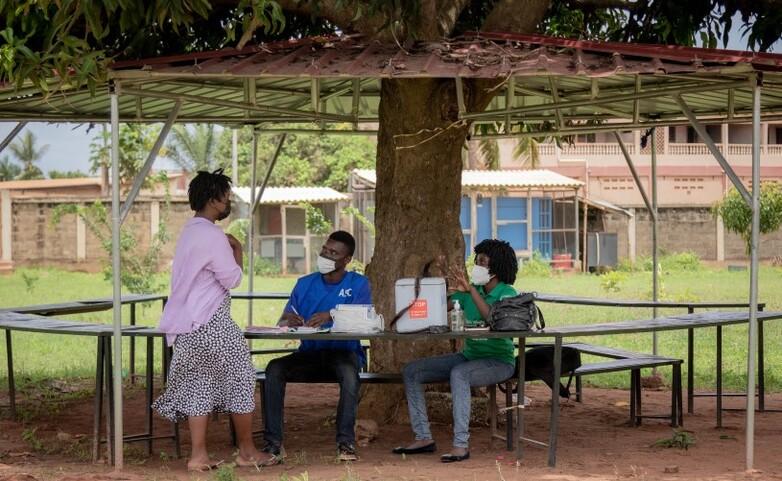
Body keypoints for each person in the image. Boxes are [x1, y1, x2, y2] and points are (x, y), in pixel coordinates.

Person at [152, 169, 263, 472]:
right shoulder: (214, 235)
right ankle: (247, 452)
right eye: (226, 198)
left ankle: (197, 456)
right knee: (240, 381)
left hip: (187, 327)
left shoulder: (189, 231)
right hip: (213, 323)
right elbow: (231, 279)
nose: (228, 203)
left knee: (197, 387)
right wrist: (238, 250)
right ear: (214, 200)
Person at [393, 239, 519, 463]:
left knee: (459, 374)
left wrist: (470, 290)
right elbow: (439, 309)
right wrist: (436, 290)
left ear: (496, 267)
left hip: (499, 362)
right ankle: (423, 438)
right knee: (412, 371)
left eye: (482, 261)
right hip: (469, 356)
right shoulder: (470, 291)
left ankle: (460, 445)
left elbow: (493, 317)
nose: (477, 266)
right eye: (476, 261)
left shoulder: (507, 293)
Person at [260, 230, 371, 464]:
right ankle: (273, 444)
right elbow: (283, 320)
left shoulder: (359, 284)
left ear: (346, 260)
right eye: (325, 250)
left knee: (350, 375)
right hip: (309, 355)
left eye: (334, 253)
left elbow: (364, 321)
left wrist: (331, 316)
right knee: (274, 369)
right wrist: (287, 321)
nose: (326, 255)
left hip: (344, 354)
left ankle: (346, 442)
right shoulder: (304, 284)